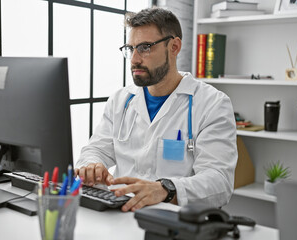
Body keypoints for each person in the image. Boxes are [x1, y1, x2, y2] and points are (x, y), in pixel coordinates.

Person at [74, 7, 237, 212]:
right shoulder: (121, 100)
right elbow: (95, 149)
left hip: (173, 220)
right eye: (130, 48)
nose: (134, 59)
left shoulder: (213, 104)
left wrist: (166, 189)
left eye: (145, 47)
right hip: (121, 213)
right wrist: (92, 165)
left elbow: (219, 182)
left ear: (174, 46)